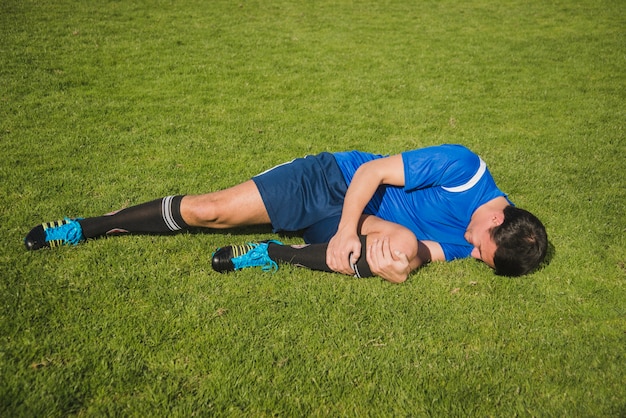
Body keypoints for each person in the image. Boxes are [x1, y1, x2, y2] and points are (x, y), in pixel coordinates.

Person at [24, 144, 548, 282]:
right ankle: (82, 227)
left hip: (365, 226)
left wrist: (396, 264)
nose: (468, 248)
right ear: (498, 220)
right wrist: (346, 233)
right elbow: (371, 177)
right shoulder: (464, 169)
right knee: (209, 211)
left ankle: (276, 254)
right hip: (333, 181)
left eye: (475, 255)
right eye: (478, 246)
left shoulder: (478, 243)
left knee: (408, 252)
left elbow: (422, 252)